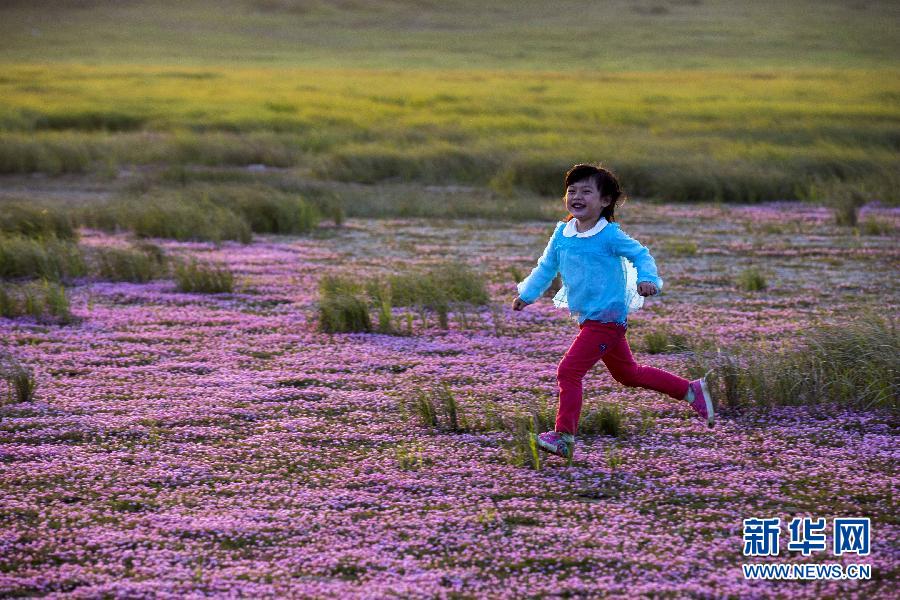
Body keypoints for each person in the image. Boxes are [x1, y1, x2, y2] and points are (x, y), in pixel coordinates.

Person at [512, 163, 713, 460]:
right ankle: (690, 391)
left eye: (586, 191)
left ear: (605, 201)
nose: (576, 196)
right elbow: (546, 266)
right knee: (628, 374)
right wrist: (527, 294)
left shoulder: (609, 235)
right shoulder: (563, 233)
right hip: (591, 318)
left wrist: (648, 280)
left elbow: (640, 254)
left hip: (606, 319)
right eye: (571, 191)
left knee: (568, 371)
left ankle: (564, 437)